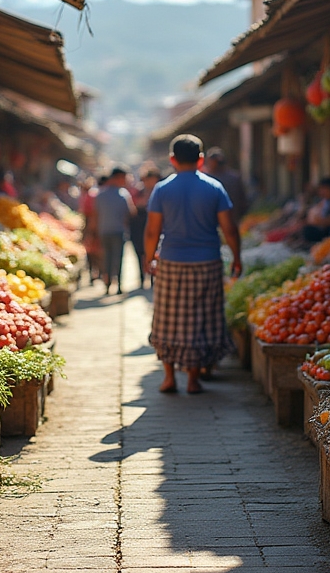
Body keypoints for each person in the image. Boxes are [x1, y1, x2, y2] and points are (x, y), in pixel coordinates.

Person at [144, 134, 241, 395]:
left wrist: (149, 257)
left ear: (172, 159)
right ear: (201, 160)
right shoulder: (214, 188)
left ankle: (168, 378)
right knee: (201, 319)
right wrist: (237, 257)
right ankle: (193, 379)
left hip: (171, 262)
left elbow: (152, 231)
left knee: (168, 319)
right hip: (207, 261)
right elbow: (229, 229)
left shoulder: (162, 189)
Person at [95, 168, 135, 295]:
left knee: (107, 257)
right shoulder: (123, 194)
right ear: (117, 177)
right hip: (118, 231)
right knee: (118, 258)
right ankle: (118, 285)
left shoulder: (100, 194)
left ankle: (107, 285)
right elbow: (131, 212)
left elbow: (95, 214)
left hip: (104, 230)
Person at [130, 163, 162, 290]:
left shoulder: (161, 191)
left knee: (155, 253)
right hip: (140, 225)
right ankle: (142, 277)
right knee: (140, 252)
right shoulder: (139, 192)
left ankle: (154, 277)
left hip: (156, 225)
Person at [204, 147, 248, 224]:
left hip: (227, 219)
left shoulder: (207, 179)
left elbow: (242, 200)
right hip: (223, 220)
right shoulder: (234, 177)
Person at [301, 177, 330, 243]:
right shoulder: (327, 200)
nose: (322, 192)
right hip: (325, 227)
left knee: (308, 230)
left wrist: (322, 221)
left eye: (324, 189)